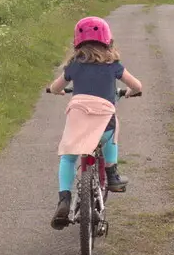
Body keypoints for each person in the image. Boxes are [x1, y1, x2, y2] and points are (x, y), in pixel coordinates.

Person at [45, 16, 143, 228]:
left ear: (77, 43)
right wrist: (130, 92)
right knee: (110, 137)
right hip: (104, 122)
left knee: (69, 158)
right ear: (108, 41)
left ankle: (64, 199)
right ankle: (112, 174)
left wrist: (58, 91)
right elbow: (137, 85)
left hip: (78, 120)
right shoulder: (113, 65)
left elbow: (55, 87)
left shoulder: (73, 66)